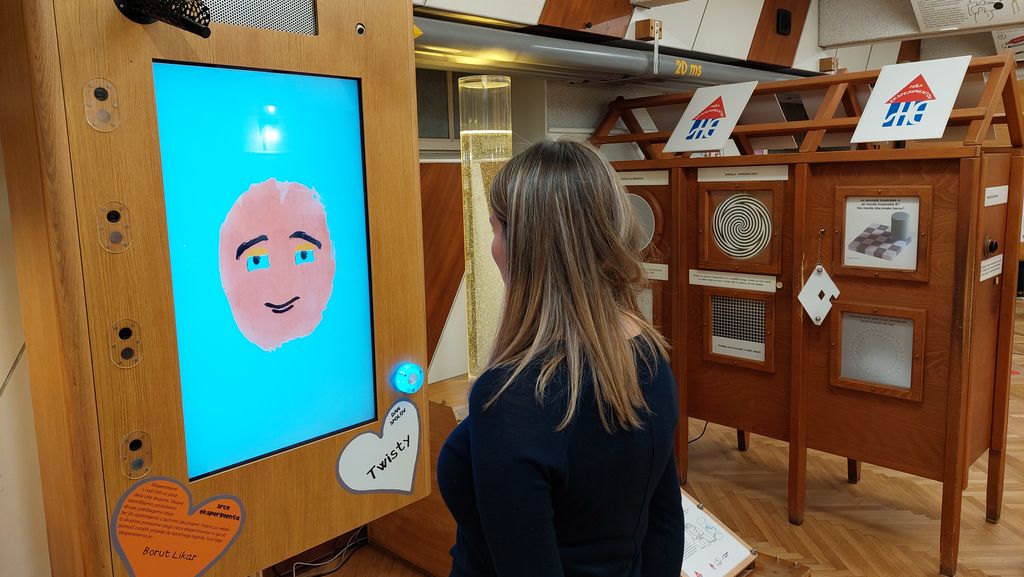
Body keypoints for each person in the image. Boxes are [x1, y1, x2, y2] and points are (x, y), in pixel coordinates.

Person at [437, 139, 684, 577]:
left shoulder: (511, 399)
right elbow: (665, 523)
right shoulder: (647, 354)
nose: (493, 246)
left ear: (525, 246)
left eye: (495, 229)